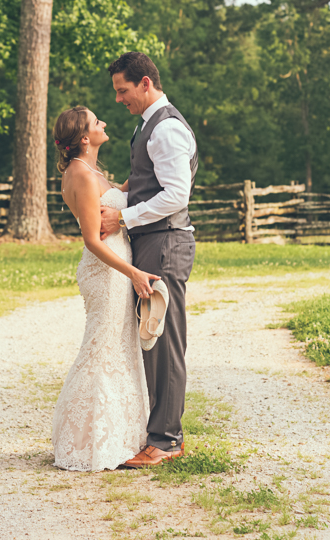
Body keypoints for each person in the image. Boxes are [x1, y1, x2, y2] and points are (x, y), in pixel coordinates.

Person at [99, 52, 198, 468]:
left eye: (123, 90)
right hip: (154, 240)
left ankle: (166, 441)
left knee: (163, 340)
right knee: (151, 339)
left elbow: (176, 195)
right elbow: (146, 183)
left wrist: (122, 215)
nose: (119, 99)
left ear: (144, 83)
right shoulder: (148, 125)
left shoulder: (167, 128)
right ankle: (161, 433)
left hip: (166, 242)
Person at [50, 106, 158, 471]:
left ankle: (120, 432)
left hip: (116, 267)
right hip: (106, 270)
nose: (104, 124)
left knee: (118, 347)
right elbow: (93, 240)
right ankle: (87, 440)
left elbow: (114, 197)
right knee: (101, 349)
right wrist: (134, 273)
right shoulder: (80, 174)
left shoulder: (92, 172)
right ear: (84, 138)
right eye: (97, 122)